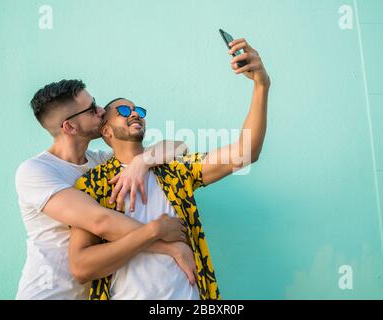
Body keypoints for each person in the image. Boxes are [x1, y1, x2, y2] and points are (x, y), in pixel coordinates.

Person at [69, 37, 271, 300]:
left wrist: (261, 85)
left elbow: (246, 152)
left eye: (138, 109)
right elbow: (81, 266)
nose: (135, 113)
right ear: (105, 130)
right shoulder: (93, 183)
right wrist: (154, 232)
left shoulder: (175, 171)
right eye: (122, 110)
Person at [16, 79, 195, 299]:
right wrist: (169, 245)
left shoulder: (99, 163)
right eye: (91, 109)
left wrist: (143, 162)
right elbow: (100, 221)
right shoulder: (36, 171)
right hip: (49, 293)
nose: (101, 111)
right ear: (69, 127)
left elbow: (177, 147)